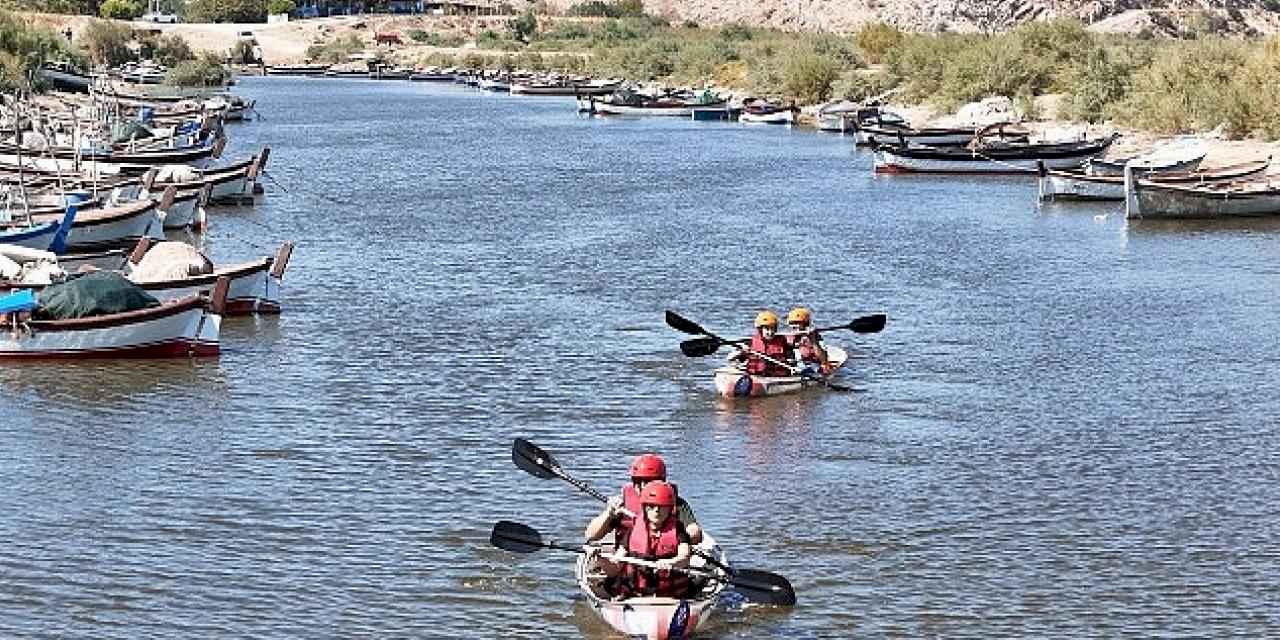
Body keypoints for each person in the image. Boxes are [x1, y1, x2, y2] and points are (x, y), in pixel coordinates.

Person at [585, 453, 702, 546]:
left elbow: (695, 533)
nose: (641, 486)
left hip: (667, 562)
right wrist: (609, 513)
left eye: (647, 481)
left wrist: (675, 540)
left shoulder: (675, 503)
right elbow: (591, 535)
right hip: (627, 560)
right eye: (637, 481)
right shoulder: (622, 504)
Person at [611, 481, 692, 599]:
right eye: (651, 506)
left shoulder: (678, 530)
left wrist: (671, 562)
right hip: (635, 595)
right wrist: (601, 560)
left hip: (670, 597)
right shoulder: (633, 530)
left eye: (662, 506)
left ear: (670, 509)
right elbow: (615, 566)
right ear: (644, 507)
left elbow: (684, 557)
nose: (656, 510)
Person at [731, 310, 794, 377]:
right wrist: (741, 351)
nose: (770, 332)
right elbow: (730, 358)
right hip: (756, 376)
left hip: (778, 377)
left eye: (772, 329)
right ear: (760, 330)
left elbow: (791, 358)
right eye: (767, 329)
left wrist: (791, 365)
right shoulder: (750, 343)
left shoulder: (783, 342)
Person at [785, 307, 832, 374]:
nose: (794, 326)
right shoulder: (788, 336)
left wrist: (813, 341)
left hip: (812, 366)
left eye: (797, 323)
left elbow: (823, 359)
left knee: (808, 369)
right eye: (792, 323)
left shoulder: (815, 336)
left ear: (805, 324)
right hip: (795, 365)